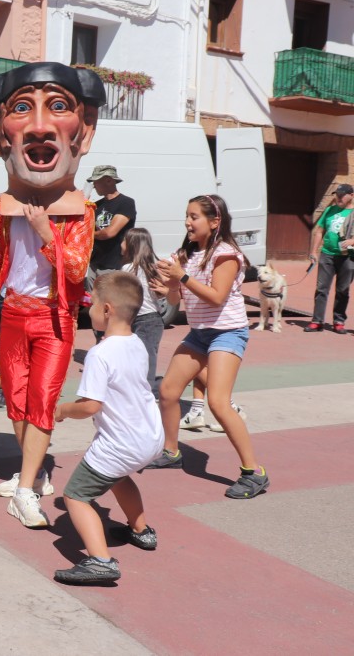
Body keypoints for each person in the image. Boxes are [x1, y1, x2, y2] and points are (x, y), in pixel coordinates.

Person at [0, 62, 104, 529]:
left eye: (59, 107)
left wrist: (47, 232)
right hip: (13, 315)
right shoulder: (1, 209)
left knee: (43, 401)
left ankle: (26, 489)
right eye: (22, 109)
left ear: (83, 133)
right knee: (16, 399)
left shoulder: (81, 212)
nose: (40, 126)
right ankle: (34, 470)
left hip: (55, 319)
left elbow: (75, 270)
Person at [147, 194, 269, 500]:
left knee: (218, 401)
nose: (188, 222)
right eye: (186, 216)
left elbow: (216, 296)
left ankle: (254, 472)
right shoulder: (186, 254)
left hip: (227, 332)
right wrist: (170, 287)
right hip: (200, 333)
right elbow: (177, 301)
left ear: (215, 222)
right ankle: (172, 452)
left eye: (194, 217)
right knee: (169, 391)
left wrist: (182, 277)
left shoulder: (226, 255)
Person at [52, 271, 163, 585]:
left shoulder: (99, 354)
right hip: (150, 436)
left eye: (91, 303)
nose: (88, 309)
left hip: (121, 443)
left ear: (107, 310)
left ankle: (100, 561)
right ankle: (141, 531)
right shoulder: (137, 344)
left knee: (75, 495)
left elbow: (90, 405)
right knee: (117, 477)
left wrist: (61, 411)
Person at [119, 228, 164, 390]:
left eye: (124, 240)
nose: (121, 244)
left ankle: (147, 391)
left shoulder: (128, 270)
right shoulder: (151, 268)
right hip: (153, 318)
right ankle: (146, 387)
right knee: (146, 356)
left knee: (145, 357)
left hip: (145, 319)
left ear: (132, 245)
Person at [306, 183, 353, 333]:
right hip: (327, 254)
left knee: (343, 290)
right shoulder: (329, 211)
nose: (338, 197)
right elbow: (319, 231)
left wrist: (353, 241)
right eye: (337, 194)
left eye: (342, 194)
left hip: (348, 257)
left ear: (351, 195)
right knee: (321, 288)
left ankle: (338, 321)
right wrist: (314, 251)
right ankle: (317, 321)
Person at [88, 165, 136, 280]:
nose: (93, 186)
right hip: (94, 264)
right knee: (91, 297)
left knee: (109, 298)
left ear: (109, 180)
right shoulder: (97, 205)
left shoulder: (126, 203)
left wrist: (88, 234)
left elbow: (109, 233)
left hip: (114, 265)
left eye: (96, 181)